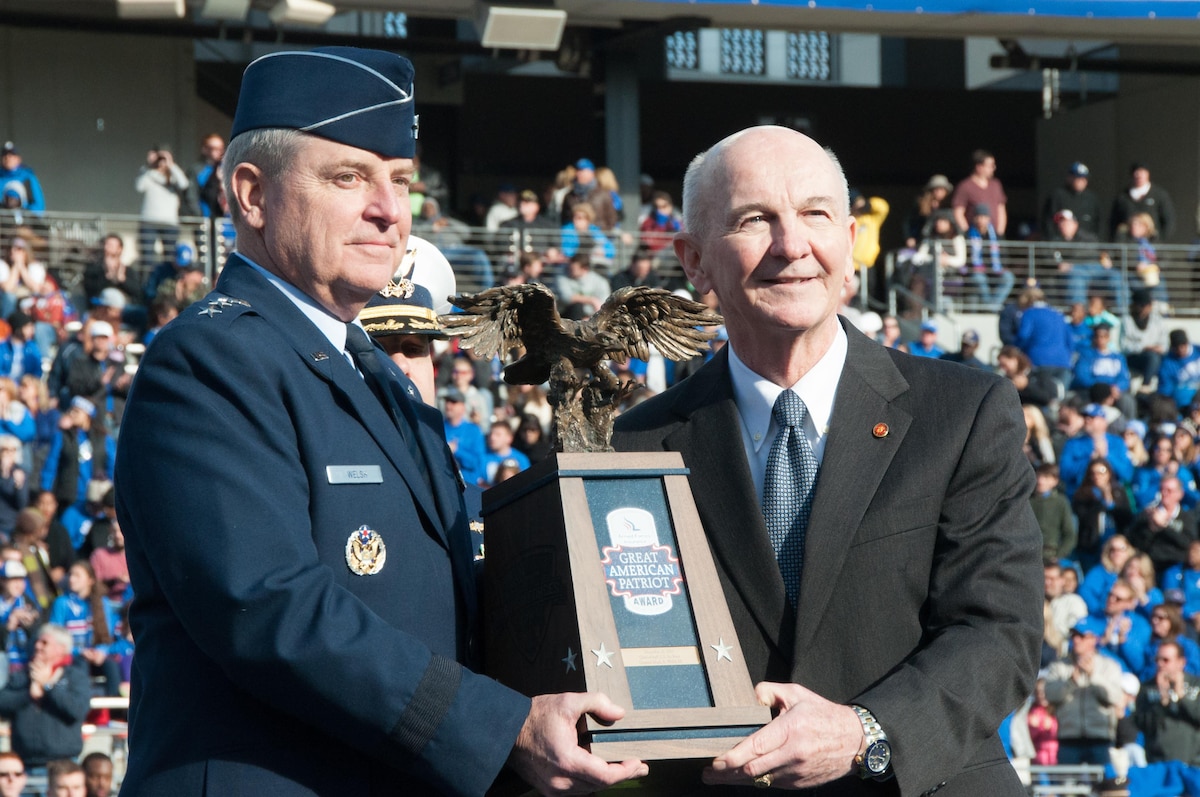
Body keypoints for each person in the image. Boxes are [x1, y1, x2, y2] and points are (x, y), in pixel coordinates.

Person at [113, 46, 645, 796]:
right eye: (348, 177)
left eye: (401, 181)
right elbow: (269, 607)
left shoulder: (378, 376)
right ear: (252, 195)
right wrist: (500, 727)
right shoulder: (207, 361)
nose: (390, 211)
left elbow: (438, 608)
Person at [612, 125, 1041, 795]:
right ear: (694, 261)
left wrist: (865, 732)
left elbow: (999, 631)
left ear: (848, 241)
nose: (792, 246)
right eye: (756, 219)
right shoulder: (637, 443)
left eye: (815, 214)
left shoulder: (963, 413)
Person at [0, 624, 91, 769]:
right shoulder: (21, 677)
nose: (37, 646)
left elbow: (77, 710)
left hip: (64, 765)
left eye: (44, 642)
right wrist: (27, 695)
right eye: (37, 641)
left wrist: (48, 686)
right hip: (25, 765)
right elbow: (2, 703)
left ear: (61, 648)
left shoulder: (75, 676)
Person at [1043, 617, 1125, 766]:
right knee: (1068, 788)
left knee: (1101, 786)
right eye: (1074, 635)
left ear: (1094, 639)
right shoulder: (1059, 666)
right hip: (1068, 739)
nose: (1076, 640)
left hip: (1100, 739)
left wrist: (1093, 676)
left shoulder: (1109, 666)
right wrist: (1070, 682)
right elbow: (1050, 695)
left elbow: (1116, 697)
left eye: (1082, 636)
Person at [1134, 639, 1200, 764]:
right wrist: (1162, 700)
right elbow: (1143, 724)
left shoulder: (1196, 685)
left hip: (1194, 762)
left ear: (1181, 662)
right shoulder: (1147, 688)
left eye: (1165, 660)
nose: (1160, 664)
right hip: (1159, 760)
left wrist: (1181, 697)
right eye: (1157, 660)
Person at [135, 144, 189, 268]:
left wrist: (170, 164)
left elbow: (184, 184)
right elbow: (139, 187)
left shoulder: (173, 175)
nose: (160, 162)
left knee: (170, 257)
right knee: (147, 258)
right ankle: (147, 285)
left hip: (170, 222)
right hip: (149, 221)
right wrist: (151, 166)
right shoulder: (148, 173)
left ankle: (168, 284)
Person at [1111, 162, 1175, 243]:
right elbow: (1113, 222)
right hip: (1128, 245)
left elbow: (1169, 220)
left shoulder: (1160, 195)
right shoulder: (1122, 197)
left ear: (1148, 174)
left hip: (1152, 245)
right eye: (1136, 173)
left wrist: (1159, 241)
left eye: (1142, 172)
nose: (1139, 176)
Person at [951, 148, 1007, 237]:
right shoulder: (965, 186)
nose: (993, 168)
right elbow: (958, 212)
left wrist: (1000, 232)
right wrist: (966, 233)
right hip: (974, 237)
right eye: (990, 166)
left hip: (994, 237)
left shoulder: (996, 185)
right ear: (979, 167)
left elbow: (1001, 210)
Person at [1044, 161, 1102, 238]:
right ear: (1069, 177)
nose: (1081, 181)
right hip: (1062, 243)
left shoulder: (1091, 199)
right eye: (1077, 178)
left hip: (1086, 244)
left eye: (1084, 179)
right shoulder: (1058, 196)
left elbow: (1099, 223)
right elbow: (1048, 222)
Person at [0, 143, 45, 214]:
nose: (8, 157)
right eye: (4, 154)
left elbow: (38, 207)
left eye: (12, 154)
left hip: (25, 221)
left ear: (18, 159)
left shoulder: (28, 177)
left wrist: (25, 216)